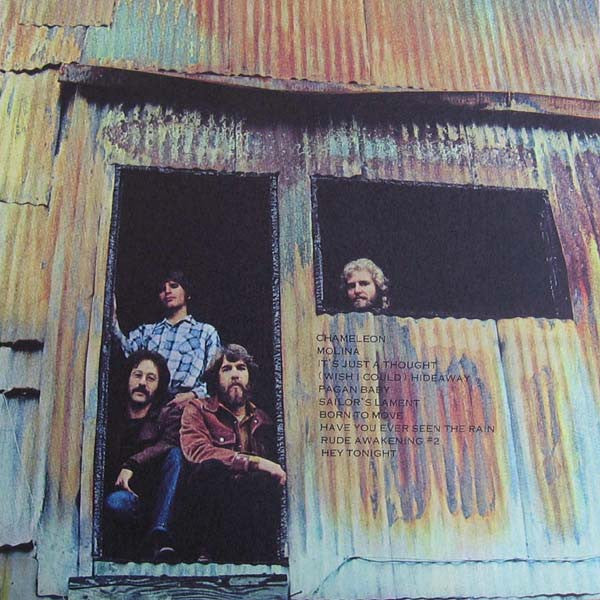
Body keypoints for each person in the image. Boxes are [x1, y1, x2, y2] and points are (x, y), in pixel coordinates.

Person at [180, 344, 286, 562]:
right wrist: (254, 462)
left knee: (262, 481)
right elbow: (197, 451)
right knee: (211, 469)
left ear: (250, 377)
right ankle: (204, 554)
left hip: (246, 519)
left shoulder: (263, 420)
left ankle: (261, 557)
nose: (235, 374)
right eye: (227, 369)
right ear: (215, 378)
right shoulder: (198, 409)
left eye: (241, 368)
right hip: (210, 515)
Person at [104, 349, 185, 562]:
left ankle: (160, 537)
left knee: (175, 455)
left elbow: (170, 443)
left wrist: (132, 464)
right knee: (116, 502)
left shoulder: (168, 414)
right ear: (128, 378)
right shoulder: (109, 415)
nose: (142, 383)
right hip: (126, 501)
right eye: (137, 375)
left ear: (159, 386)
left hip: (157, 502)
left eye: (151, 378)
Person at [113, 269, 220, 402]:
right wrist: (111, 315)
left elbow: (215, 377)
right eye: (162, 289)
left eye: (174, 286)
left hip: (189, 405)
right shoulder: (146, 331)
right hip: (150, 404)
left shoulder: (206, 332)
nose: (167, 291)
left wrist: (193, 395)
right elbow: (124, 350)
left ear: (187, 293)